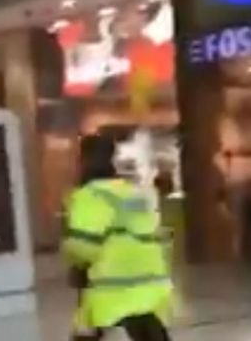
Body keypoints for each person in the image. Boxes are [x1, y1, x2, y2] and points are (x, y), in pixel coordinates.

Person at [62, 128, 174, 341]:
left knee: (86, 330)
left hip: (113, 284)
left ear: (83, 160)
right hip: (152, 281)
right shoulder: (133, 192)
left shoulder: (91, 194)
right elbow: (154, 232)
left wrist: (75, 264)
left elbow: (82, 245)